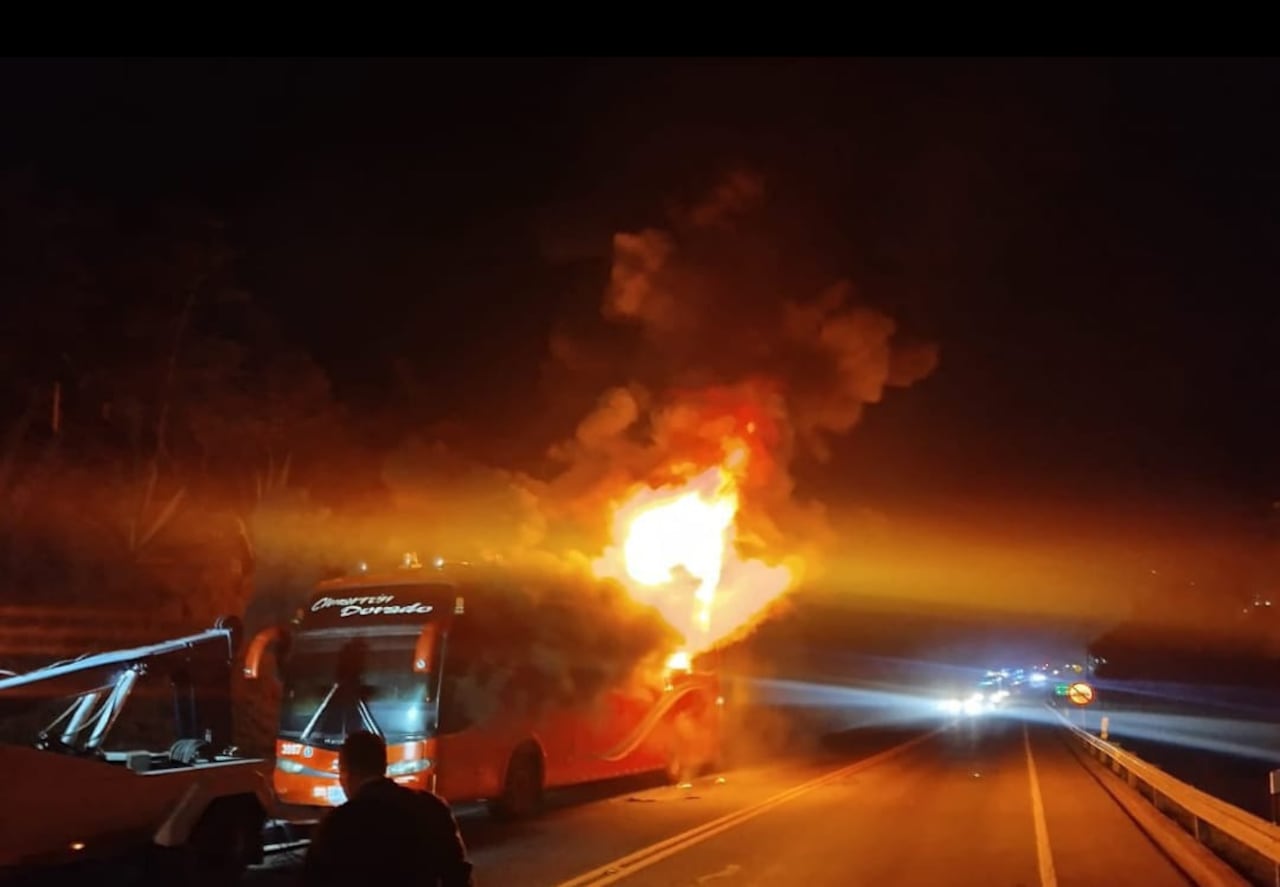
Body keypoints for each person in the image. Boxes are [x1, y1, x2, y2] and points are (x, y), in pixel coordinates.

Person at [300, 730, 474, 886]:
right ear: (383, 767)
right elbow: (459, 874)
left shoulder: (337, 824)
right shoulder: (431, 806)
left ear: (346, 773)